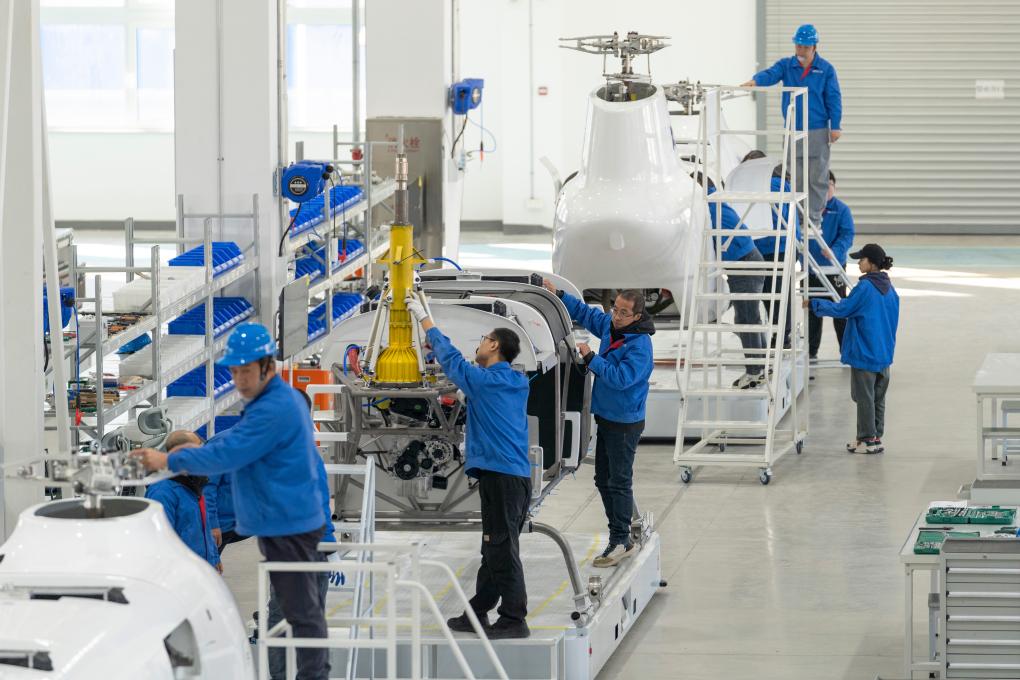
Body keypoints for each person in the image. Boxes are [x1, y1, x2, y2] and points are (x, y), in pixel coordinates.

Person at [132, 322, 330, 680]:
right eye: (235, 371)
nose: (239, 380)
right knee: (295, 614)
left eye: (246, 371)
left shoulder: (275, 409)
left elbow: (229, 453)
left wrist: (167, 460)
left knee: (297, 615)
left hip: (290, 529)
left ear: (267, 366)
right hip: (278, 526)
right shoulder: (270, 404)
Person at [405, 296, 532, 640]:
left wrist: (425, 320)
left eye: (483, 339)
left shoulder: (486, 381)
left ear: (494, 346)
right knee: (494, 546)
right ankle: (475, 613)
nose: (479, 344)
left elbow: (452, 361)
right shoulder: (514, 381)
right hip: (511, 477)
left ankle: (514, 619)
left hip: (502, 478)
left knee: (501, 548)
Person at [542, 282, 654, 567]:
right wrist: (558, 295)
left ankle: (621, 540)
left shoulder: (640, 346)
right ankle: (619, 533)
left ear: (637, 316)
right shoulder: (612, 327)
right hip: (605, 416)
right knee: (603, 479)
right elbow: (586, 313)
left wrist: (592, 358)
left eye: (624, 313)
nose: (617, 316)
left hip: (624, 423)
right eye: (615, 309)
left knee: (619, 481)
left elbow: (620, 378)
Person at [742, 23, 842, 228]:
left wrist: (835, 126)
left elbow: (834, 98)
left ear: (814, 47)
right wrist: (755, 81)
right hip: (793, 130)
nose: (801, 50)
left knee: (817, 178)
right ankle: (795, 220)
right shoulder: (787, 65)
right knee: (793, 178)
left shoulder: (826, 70)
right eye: (798, 46)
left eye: (805, 47)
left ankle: (813, 220)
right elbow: (771, 74)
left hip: (817, 130)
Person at [808, 244, 898, 454]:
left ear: (872, 263)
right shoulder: (890, 290)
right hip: (883, 353)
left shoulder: (865, 288)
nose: (858, 263)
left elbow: (843, 309)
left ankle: (867, 440)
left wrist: (814, 304)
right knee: (877, 398)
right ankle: (874, 437)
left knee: (863, 397)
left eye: (862, 259)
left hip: (865, 352)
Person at [694, 172, 767, 389]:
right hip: (747, 262)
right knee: (750, 319)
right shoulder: (715, 202)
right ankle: (762, 367)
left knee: (747, 320)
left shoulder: (706, 207)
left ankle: (755, 371)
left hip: (744, 265)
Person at [741, 150, 800, 349]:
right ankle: (782, 336)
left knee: (773, 295)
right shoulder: (780, 184)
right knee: (777, 295)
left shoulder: (770, 185)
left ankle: (781, 336)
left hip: (773, 247)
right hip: (778, 246)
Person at [144, 438, 221, 572]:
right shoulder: (162, 493)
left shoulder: (195, 483)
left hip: (202, 566)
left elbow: (205, 526)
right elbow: (161, 541)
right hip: (182, 571)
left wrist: (213, 558)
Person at [808, 170, 855, 360]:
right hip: (811, 269)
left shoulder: (842, 210)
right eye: (822, 186)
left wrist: (834, 251)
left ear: (834, 187)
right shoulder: (807, 210)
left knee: (840, 310)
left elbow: (847, 235)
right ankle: (811, 351)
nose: (826, 190)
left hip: (835, 268)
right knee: (812, 310)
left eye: (829, 185)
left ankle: (846, 351)